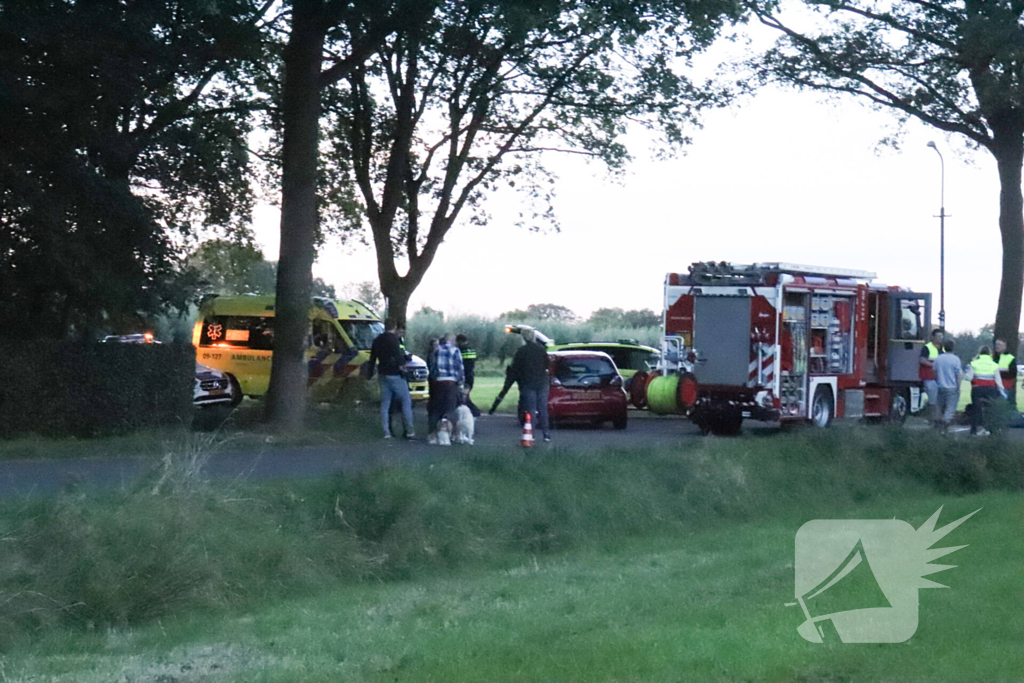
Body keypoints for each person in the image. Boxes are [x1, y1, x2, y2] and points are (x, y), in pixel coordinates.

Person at [367, 317, 415, 439]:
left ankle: (386, 432)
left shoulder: (377, 340)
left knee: (385, 403)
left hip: (383, 374)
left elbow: (372, 359)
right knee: (405, 401)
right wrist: (406, 359)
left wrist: (369, 373)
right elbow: (398, 358)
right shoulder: (394, 340)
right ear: (394, 327)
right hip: (395, 374)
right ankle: (409, 430)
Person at [509, 327, 551, 442]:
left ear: (523, 337)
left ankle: (531, 433)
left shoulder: (521, 351)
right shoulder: (542, 349)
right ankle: (546, 433)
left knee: (531, 409)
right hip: (542, 382)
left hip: (528, 383)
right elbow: (548, 365)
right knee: (543, 408)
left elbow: (516, 369)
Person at [428, 333, 464, 443]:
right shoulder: (456, 351)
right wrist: (461, 384)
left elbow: (432, 367)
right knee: (450, 409)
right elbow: (460, 368)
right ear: (452, 340)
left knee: (436, 409)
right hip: (451, 383)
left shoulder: (437, 350)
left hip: (439, 382)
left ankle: (432, 435)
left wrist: (433, 380)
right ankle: (448, 433)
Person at [965, 345, 1006, 435]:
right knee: (989, 410)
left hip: (977, 388)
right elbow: (998, 380)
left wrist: (969, 366)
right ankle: (990, 429)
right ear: (990, 353)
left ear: (979, 353)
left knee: (976, 409)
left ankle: (973, 430)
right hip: (990, 389)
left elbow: (968, 377)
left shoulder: (974, 363)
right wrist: (1002, 391)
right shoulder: (994, 365)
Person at [932, 339, 962, 430]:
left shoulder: (939, 358)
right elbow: (958, 374)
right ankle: (945, 422)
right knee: (950, 407)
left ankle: (937, 422)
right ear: (953, 348)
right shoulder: (956, 359)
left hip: (940, 385)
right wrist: (958, 387)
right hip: (952, 387)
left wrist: (938, 381)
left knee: (939, 405)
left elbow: (934, 371)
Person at [919, 328, 943, 422]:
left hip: (938, 378)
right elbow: (922, 360)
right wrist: (934, 365)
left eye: (941, 336)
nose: (940, 338)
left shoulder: (942, 349)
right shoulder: (927, 347)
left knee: (939, 400)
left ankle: (937, 418)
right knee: (933, 400)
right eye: (938, 336)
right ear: (933, 337)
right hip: (929, 377)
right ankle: (933, 419)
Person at [456, 334, 481, 417]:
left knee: (463, 397)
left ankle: (475, 412)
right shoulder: (471, 350)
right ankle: (472, 412)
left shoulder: (460, 351)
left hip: (464, 377)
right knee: (465, 396)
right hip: (470, 376)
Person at [993, 338, 1017, 408]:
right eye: (996, 344)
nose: (997, 346)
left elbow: (1013, 374)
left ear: (1004, 347)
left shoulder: (1010, 358)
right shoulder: (993, 358)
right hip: (994, 386)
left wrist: (998, 374)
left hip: (1006, 387)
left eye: (1000, 345)